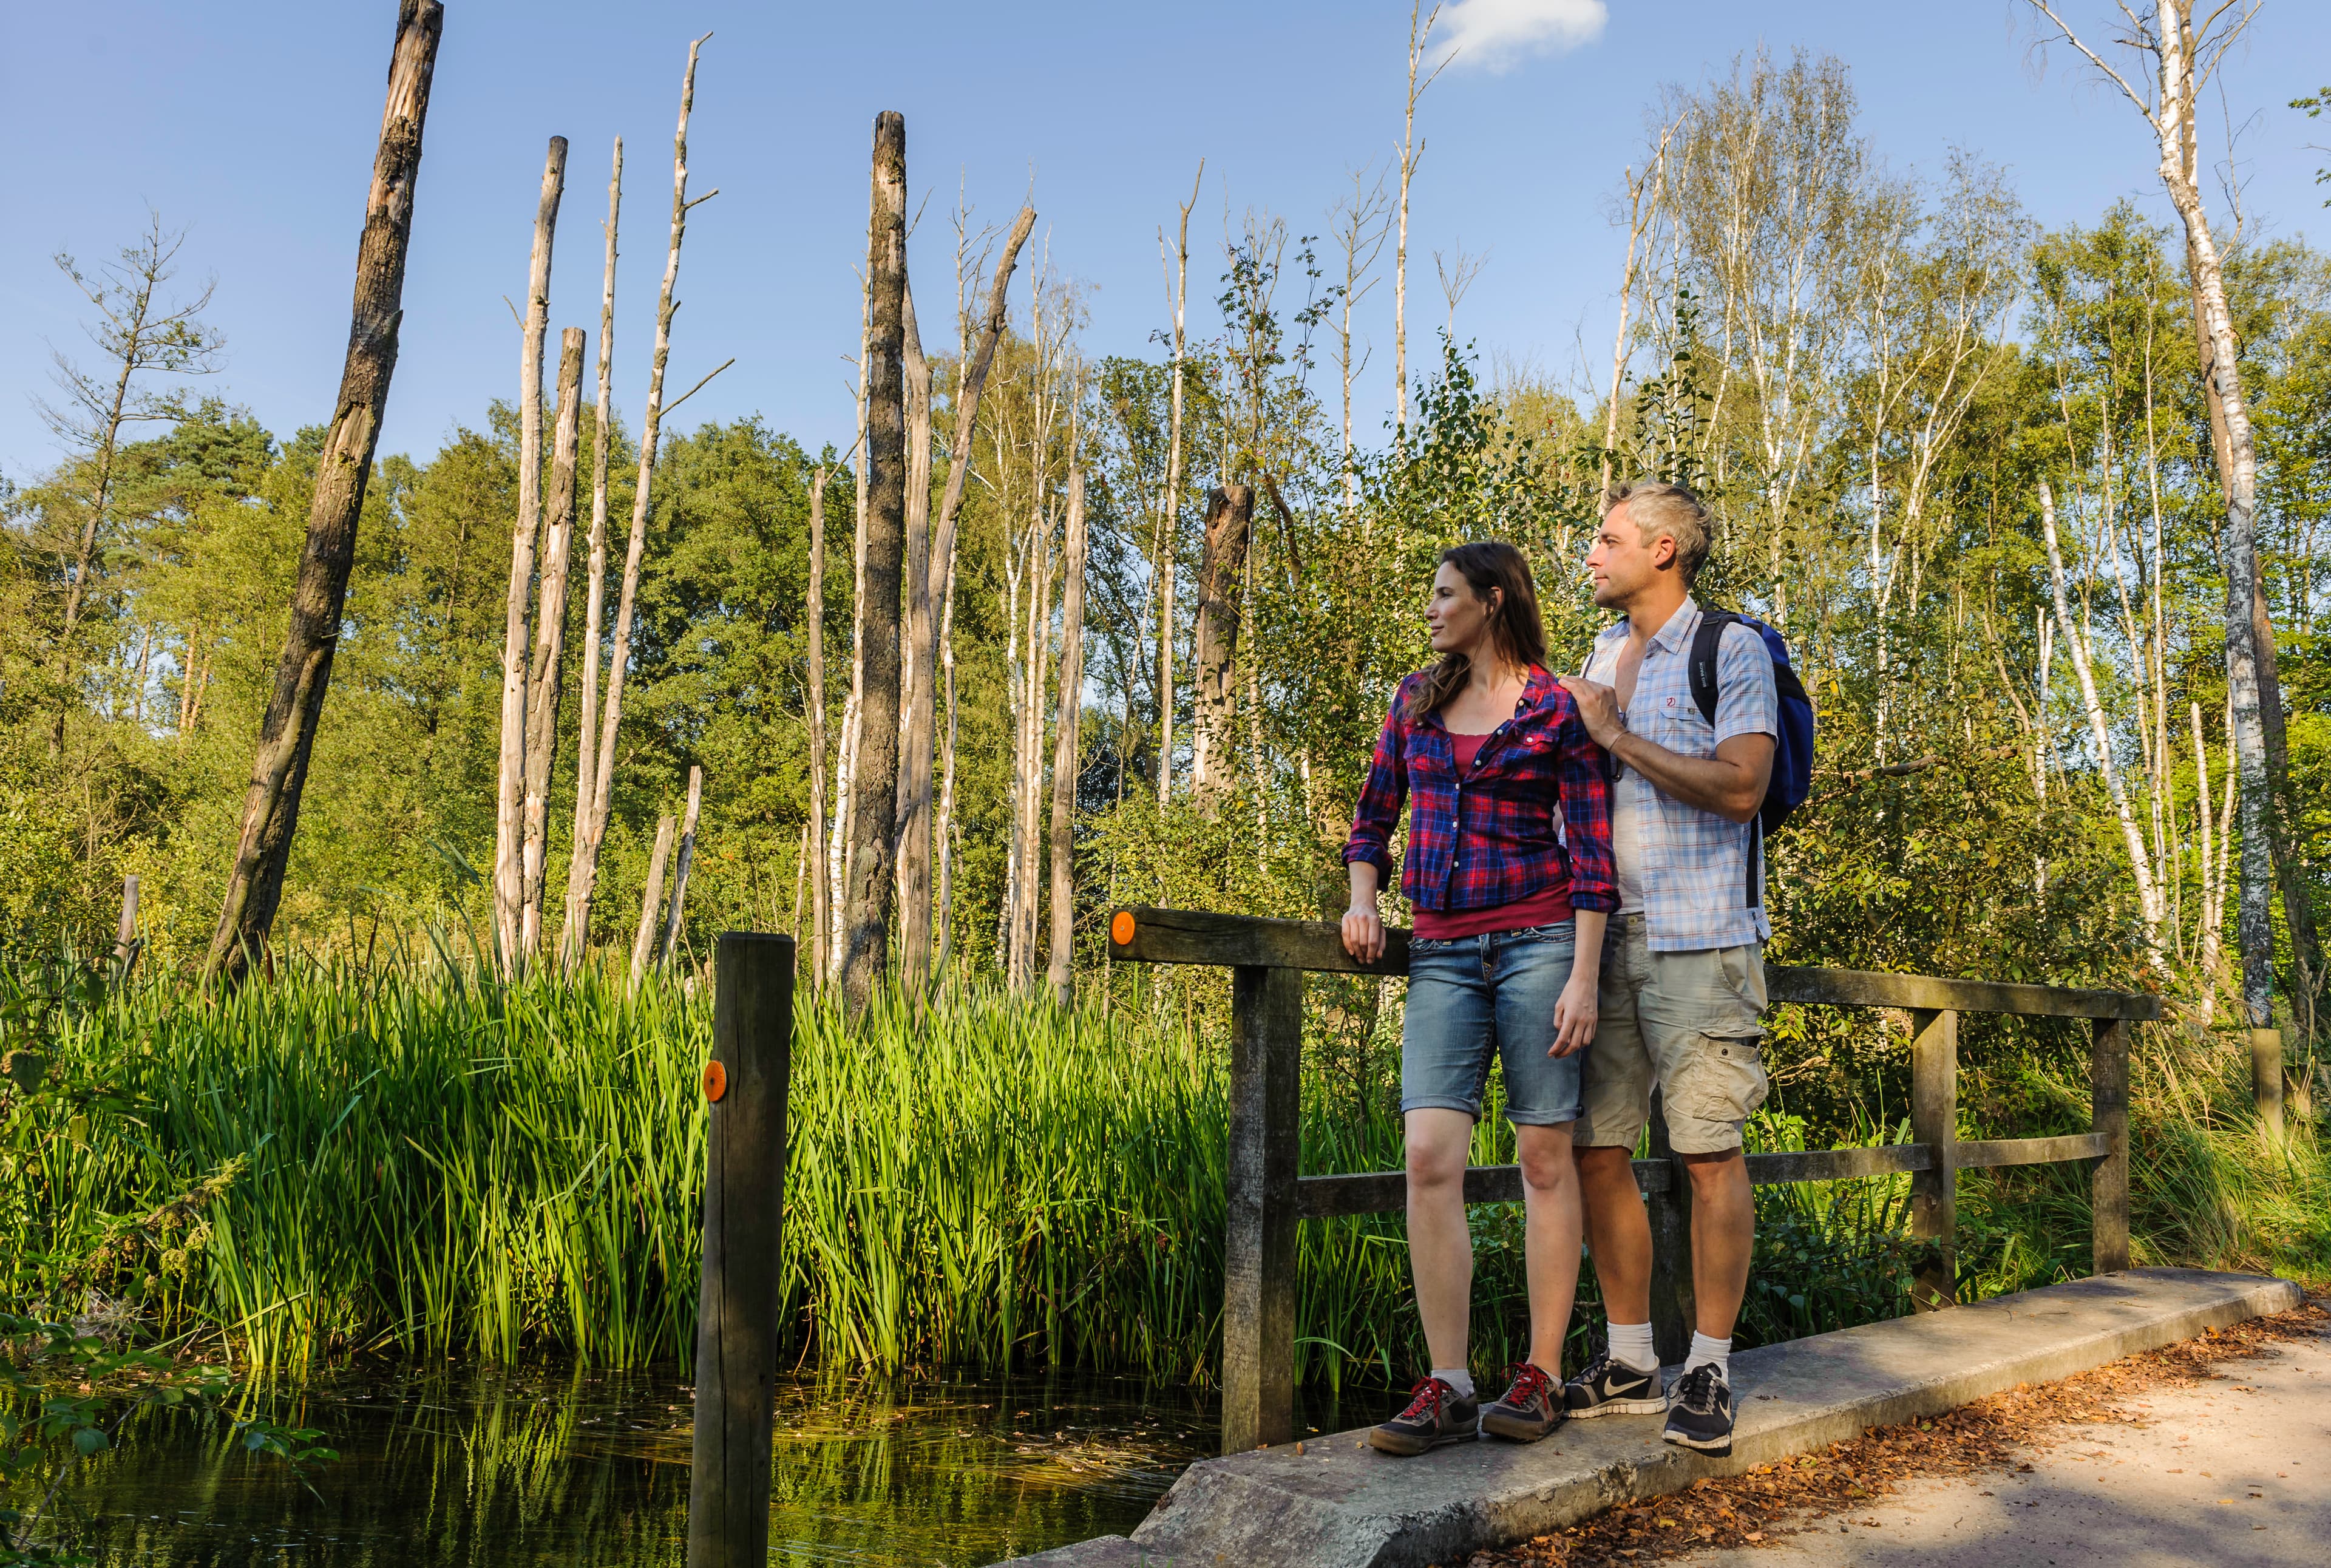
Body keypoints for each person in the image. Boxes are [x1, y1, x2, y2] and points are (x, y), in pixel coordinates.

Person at [1340, 541, 1616, 1455]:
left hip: (1541, 944)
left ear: (1492, 601)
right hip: (1445, 955)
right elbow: (1373, 816)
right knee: (1427, 1156)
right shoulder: (1415, 700)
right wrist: (1362, 902)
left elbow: (1590, 848)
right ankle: (1449, 1384)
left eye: (1445, 594)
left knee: (1545, 1158)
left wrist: (1583, 972)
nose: (1431, 609)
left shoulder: (1557, 707)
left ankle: (1537, 1377)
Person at [1555, 481, 1777, 1459]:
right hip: (1601, 943)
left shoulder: (1731, 649)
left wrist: (1614, 736)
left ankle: (1712, 1368)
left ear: (1664, 549)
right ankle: (1634, 1359)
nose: (1589, 557)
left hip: (1702, 940)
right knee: (1596, 1150)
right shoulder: (1602, 655)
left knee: (1707, 1154)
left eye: (1606, 541)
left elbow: (1741, 789)